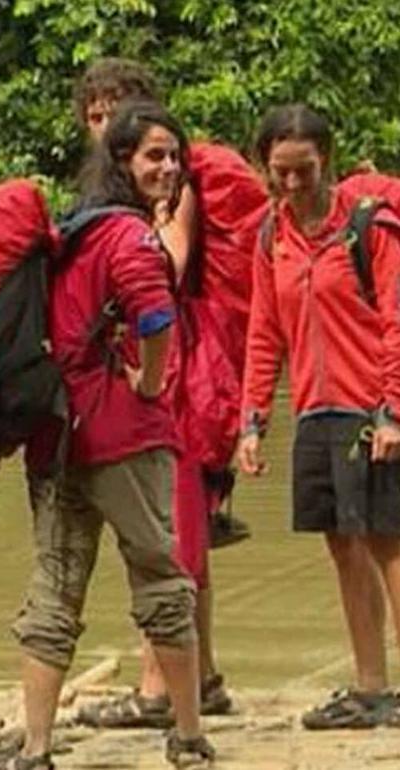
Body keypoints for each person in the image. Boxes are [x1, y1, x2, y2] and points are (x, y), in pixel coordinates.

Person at [6, 99, 213, 769]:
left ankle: (35, 746)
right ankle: (186, 735)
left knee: (55, 587)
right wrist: (151, 385)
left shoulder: (74, 231)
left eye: (174, 156)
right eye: (155, 155)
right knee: (161, 581)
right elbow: (155, 319)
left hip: (57, 436)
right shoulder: (131, 238)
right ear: (122, 161)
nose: (169, 167)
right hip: (123, 435)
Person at [70, 57, 259, 730]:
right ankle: (200, 675)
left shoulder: (170, 190)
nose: (101, 125)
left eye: (112, 113)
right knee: (183, 531)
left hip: (172, 376)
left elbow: (170, 265)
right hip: (169, 370)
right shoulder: (127, 194)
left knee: (165, 531)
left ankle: (158, 686)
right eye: (93, 115)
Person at [240, 103, 400, 729]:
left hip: (371, 407)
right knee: (341, 546)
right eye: (280, 171)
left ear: (325, 160)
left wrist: (392, 410)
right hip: (314, 410)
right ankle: (370, 686)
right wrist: (251, 421)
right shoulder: (268, 235)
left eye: (303, 170)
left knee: (389, 543)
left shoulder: (369, 226)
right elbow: (263, 332)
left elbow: (396, 318)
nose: (292, 184)